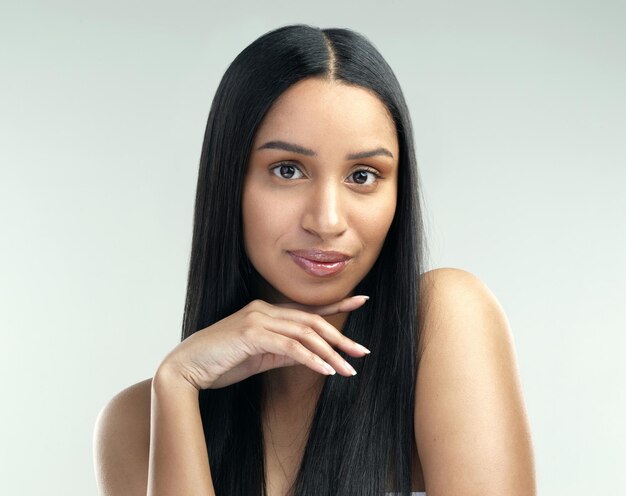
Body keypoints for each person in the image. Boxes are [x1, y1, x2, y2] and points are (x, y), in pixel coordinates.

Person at [93, 24, 536, 496]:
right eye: (288, 170)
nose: (326, 220)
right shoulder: (141, 421)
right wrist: (179, 384)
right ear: (230, 182)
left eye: (363, 175)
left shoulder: (443, 320)